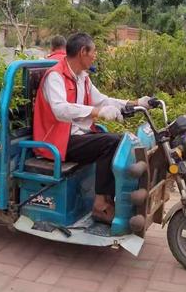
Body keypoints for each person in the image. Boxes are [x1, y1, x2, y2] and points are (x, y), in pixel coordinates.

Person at [33, 32, 151, 223]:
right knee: (112, 142)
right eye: (93, 52)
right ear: (82, 52)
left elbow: (103, 100)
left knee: (118, 141)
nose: (95, 56)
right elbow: (60, 110)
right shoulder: (55, 76)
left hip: (77, 137)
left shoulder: (82, 77)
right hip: (57, 141)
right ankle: (100, 204)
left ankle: (105, 199)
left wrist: (135, 102)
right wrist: (97, 113)